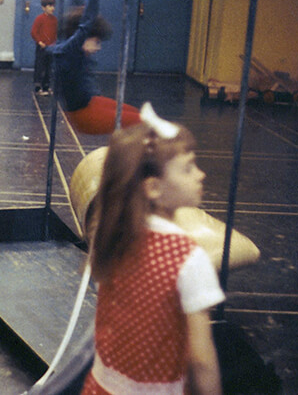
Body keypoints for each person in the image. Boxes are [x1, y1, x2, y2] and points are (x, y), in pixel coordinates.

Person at [81, 103, 224, 394]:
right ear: (154, 188)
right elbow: (201, 360)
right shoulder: (188, 259)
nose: (201, 175)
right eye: (188, 168)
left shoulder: (112, 236)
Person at [51, 0, 141, 135]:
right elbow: (86, 22)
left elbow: (77, 13)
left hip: (91, 103)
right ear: (84, 38)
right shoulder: (71, 49)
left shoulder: (69, 43)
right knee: (143, 122)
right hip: (85, 116)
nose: (98, 47)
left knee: (140, 115)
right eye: (97, 42)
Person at [31, 0, 57, 95]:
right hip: (42, 47)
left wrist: (54, 43)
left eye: (53, 6)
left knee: (48, 67)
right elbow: (33, 32)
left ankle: (46, 85)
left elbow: (55, 33)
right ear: (43, 7)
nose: (52, 8)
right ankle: (38, 86)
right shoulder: (39, 19)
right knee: (40, 66)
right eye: (50, 6)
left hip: (51, 47)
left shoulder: (54, 20)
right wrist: (39, 42)